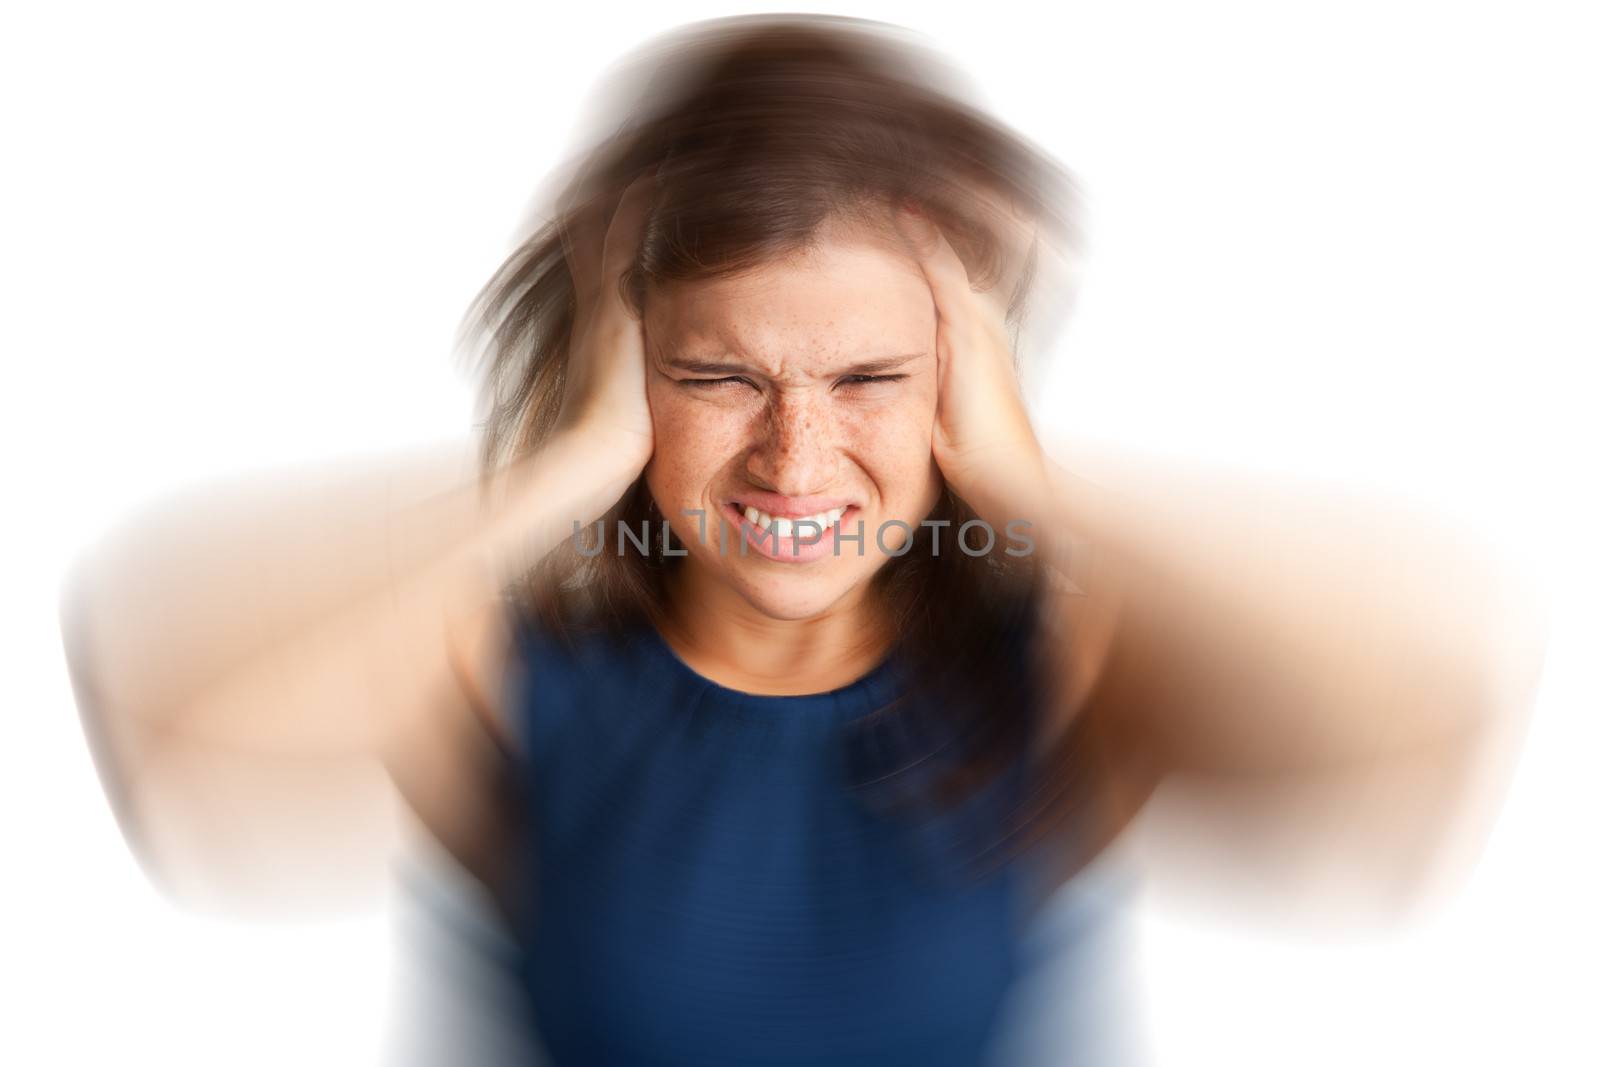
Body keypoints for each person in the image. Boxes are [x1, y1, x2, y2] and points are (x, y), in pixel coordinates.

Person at [57, 14, 1545, 1067]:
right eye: (718, 377)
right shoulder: (504, 663)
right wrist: (554, 469)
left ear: (962, 381)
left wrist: (1043, 490)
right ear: (625, 381)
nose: (796, 453)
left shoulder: (1059, 662)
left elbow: (1433, 711)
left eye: (869, 379)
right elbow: (172, 737)